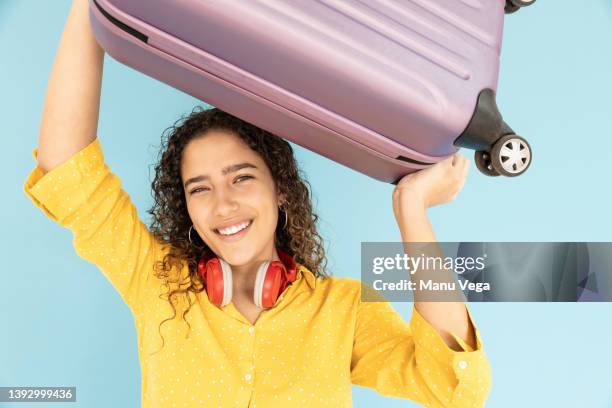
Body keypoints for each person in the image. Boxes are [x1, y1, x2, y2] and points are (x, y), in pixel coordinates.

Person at [24, 0, 491, 406]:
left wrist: (411, 210)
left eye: (241, 178)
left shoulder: (341, 311)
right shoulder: (155, 282)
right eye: (199, 188)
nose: (223, 204)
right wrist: (87, 5)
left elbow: (452, 385)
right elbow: (67, 171)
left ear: (280, 189)